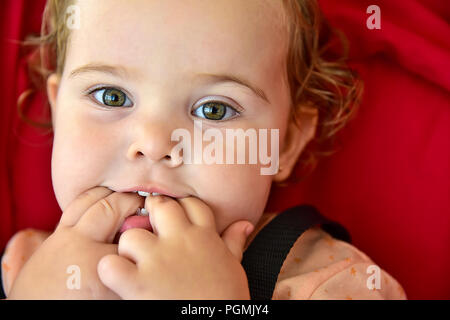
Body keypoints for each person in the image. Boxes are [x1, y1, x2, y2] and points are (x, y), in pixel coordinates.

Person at [2, 0, 406, 299]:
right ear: (58, 111)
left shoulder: (330, 283)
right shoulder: (25, 266)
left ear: (283, 144)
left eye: (213, 109)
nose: (156, 144)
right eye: (111, 96)